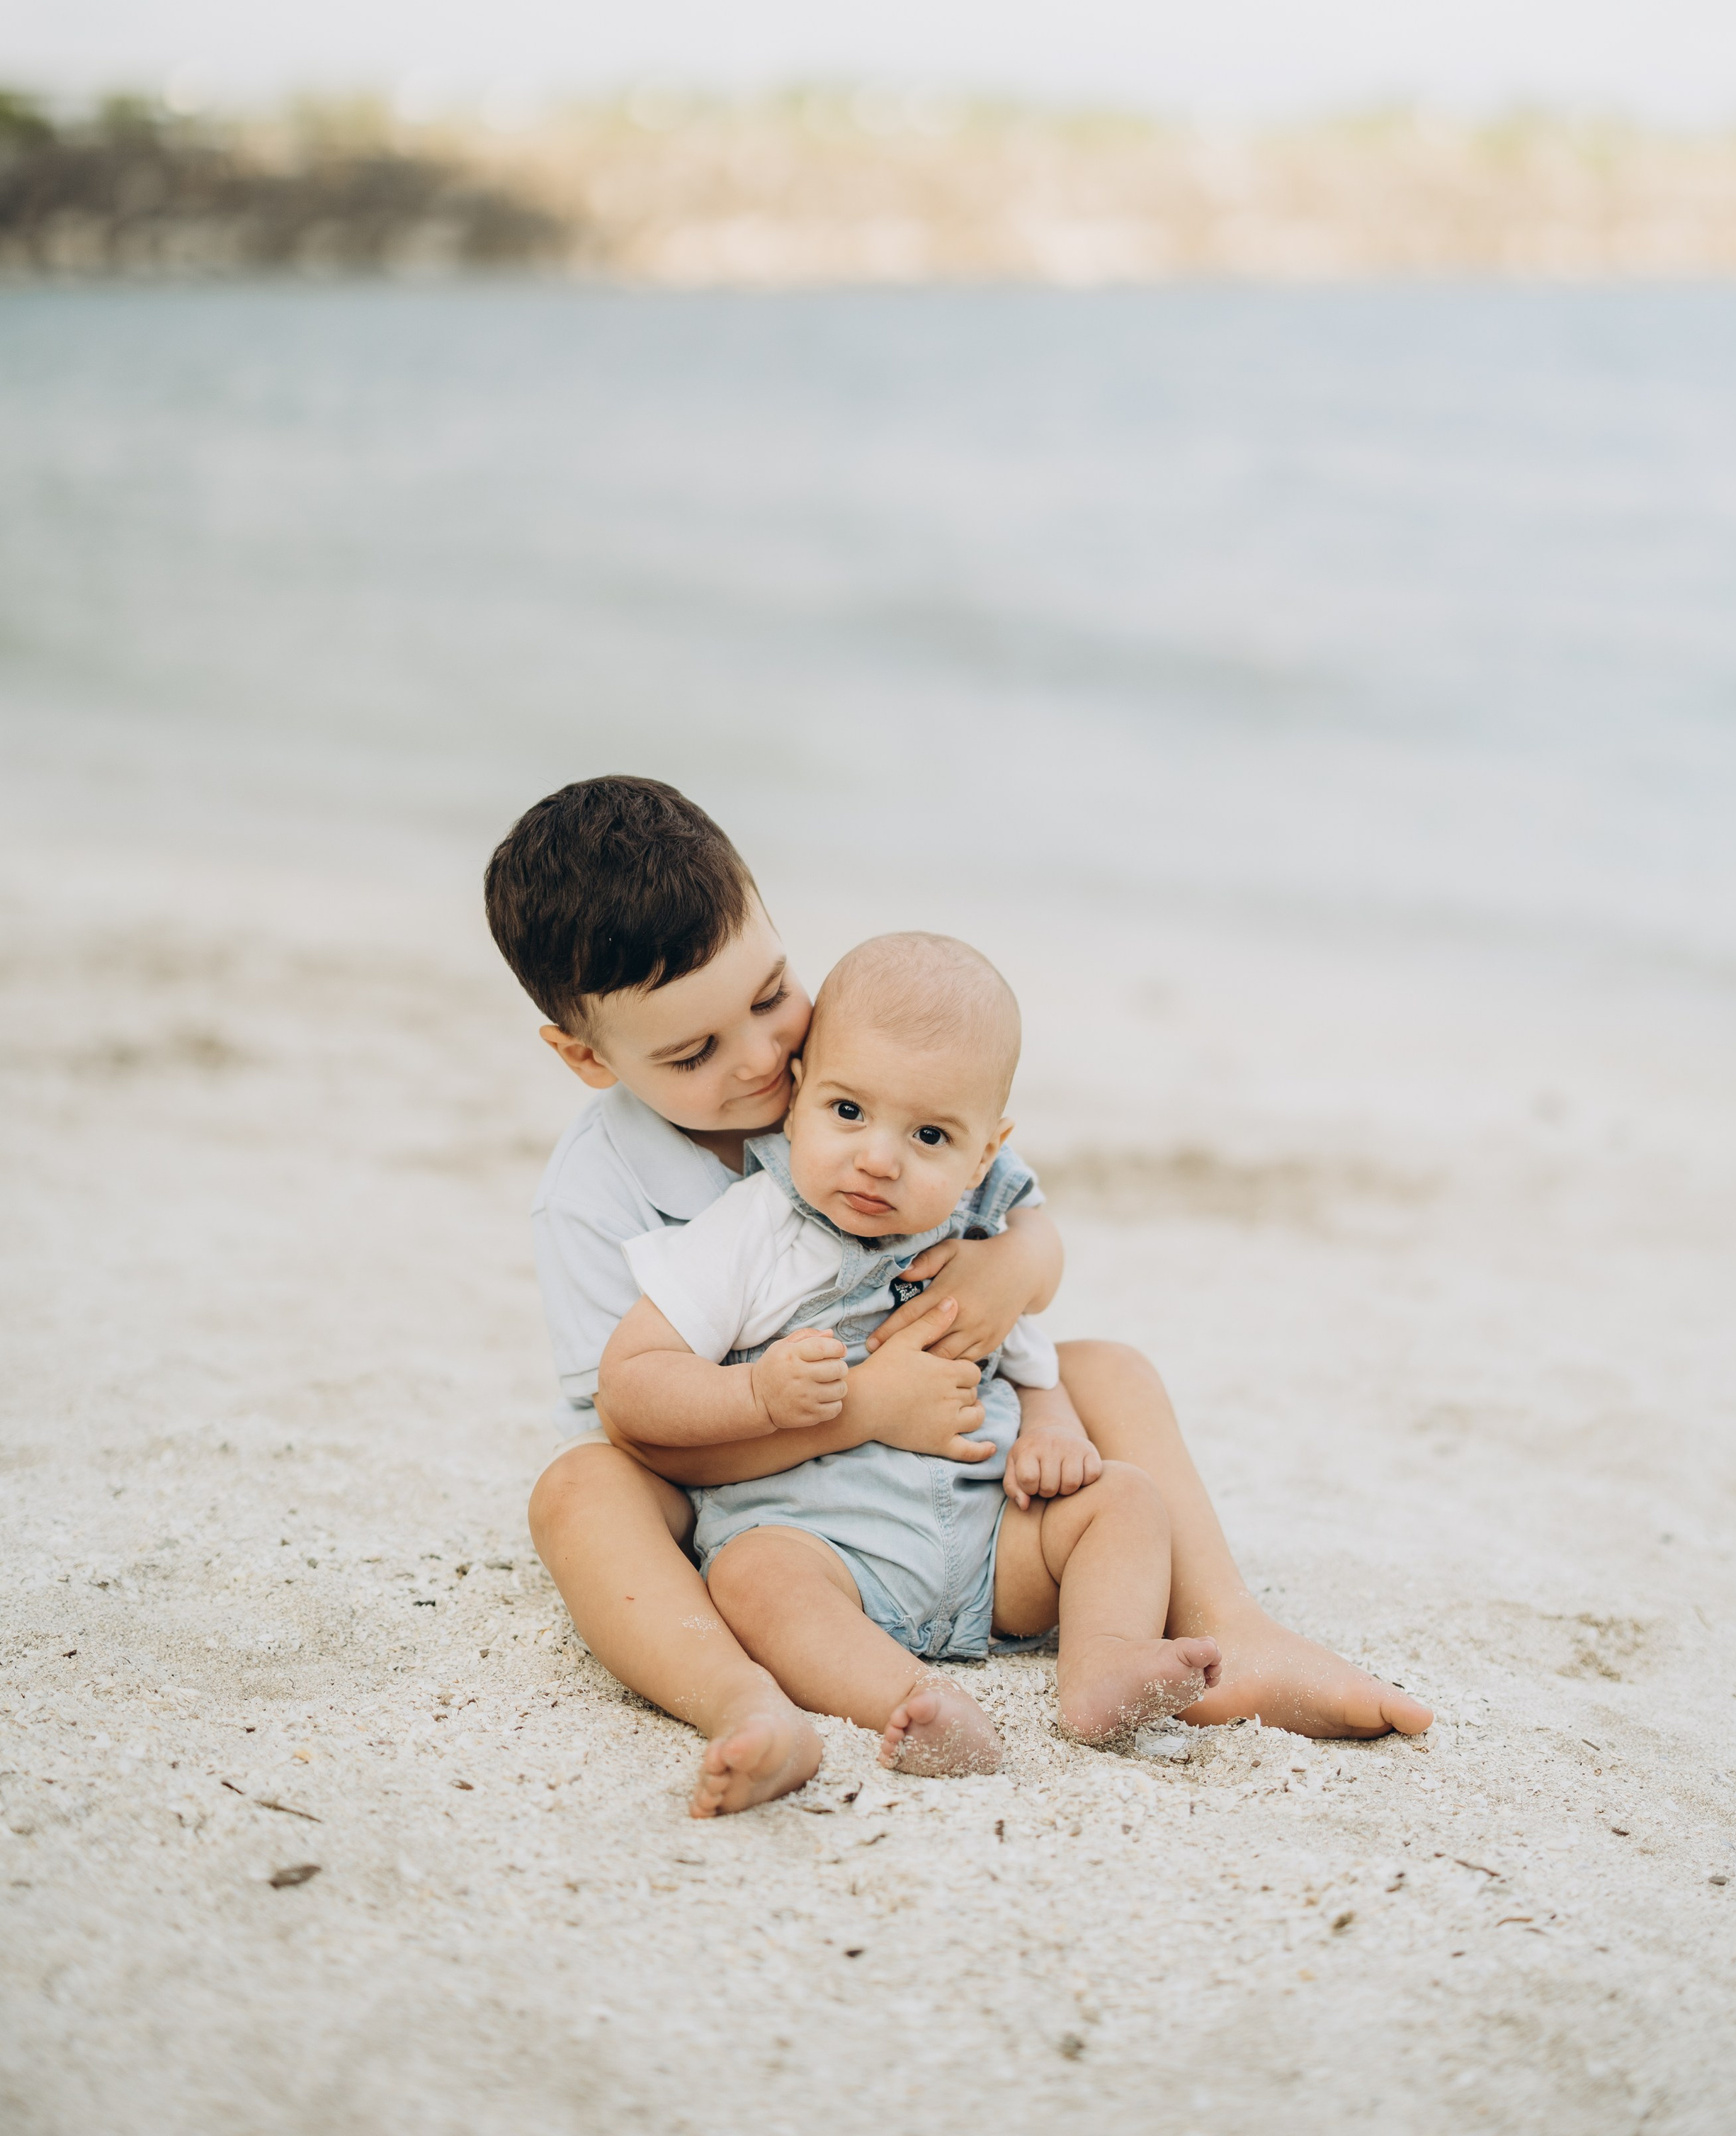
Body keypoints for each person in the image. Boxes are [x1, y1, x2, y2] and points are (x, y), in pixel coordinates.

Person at [484, 774, 1431, 1817]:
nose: (763, 1059)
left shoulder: (853, 1064)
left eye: (767, 997)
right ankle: (741, 1698)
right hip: (733, 1478)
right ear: (584, 1056)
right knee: (580, 1493)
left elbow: (1013, 1209)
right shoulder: (594, 1194)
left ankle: (1230, 1630)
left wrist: (1011, 1268)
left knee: (1109, 1370)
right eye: (694, 1051)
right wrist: (861, 1408)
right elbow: (636, 1429)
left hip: (957, 1480)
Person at [599, 932, 1224, 1773]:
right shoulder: (753, 1229)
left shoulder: (973, 1238)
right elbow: (631, 1385)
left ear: (985, 1153)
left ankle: (1103, 1663)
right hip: (823, 1549)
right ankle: (910, 1703)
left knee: (1126, 1500)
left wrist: (1053, 1428)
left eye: (930, 1135)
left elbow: (1026, 1357)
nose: (878, 1159)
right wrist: (756, 1399)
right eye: (847, 1112)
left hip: (994, 1543)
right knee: (751, 1579)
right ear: (795, 1103)